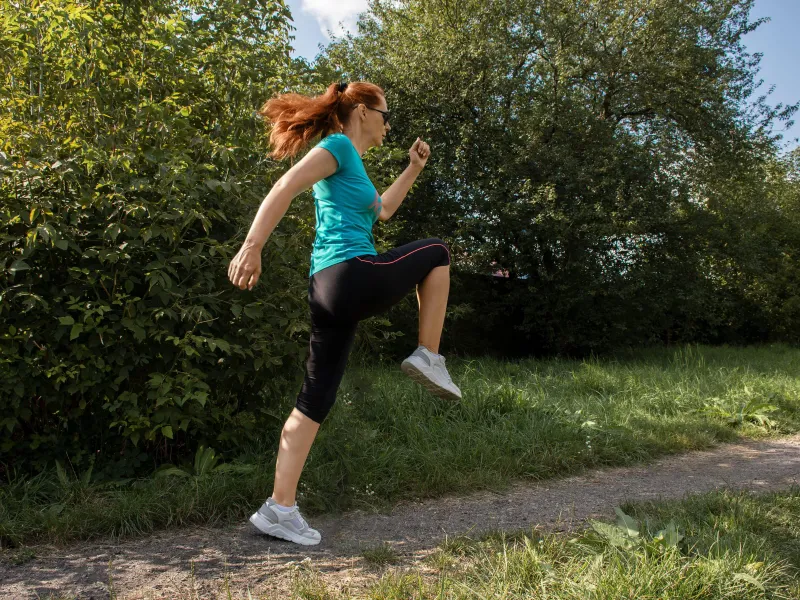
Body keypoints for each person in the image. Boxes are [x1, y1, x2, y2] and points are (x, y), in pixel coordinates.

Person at [227, 81, 462, 546]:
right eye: (384, 114)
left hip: (328, 289)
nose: (388, 124)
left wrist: (413, 168)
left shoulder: (355, 168)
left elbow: (385, 211)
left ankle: (280, 508)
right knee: (437, 252)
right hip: (347, 273)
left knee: (315, 399)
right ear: (361, 110)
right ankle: (429, 354)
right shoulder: (335, 146)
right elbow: (285, 185)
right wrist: (252, 246)